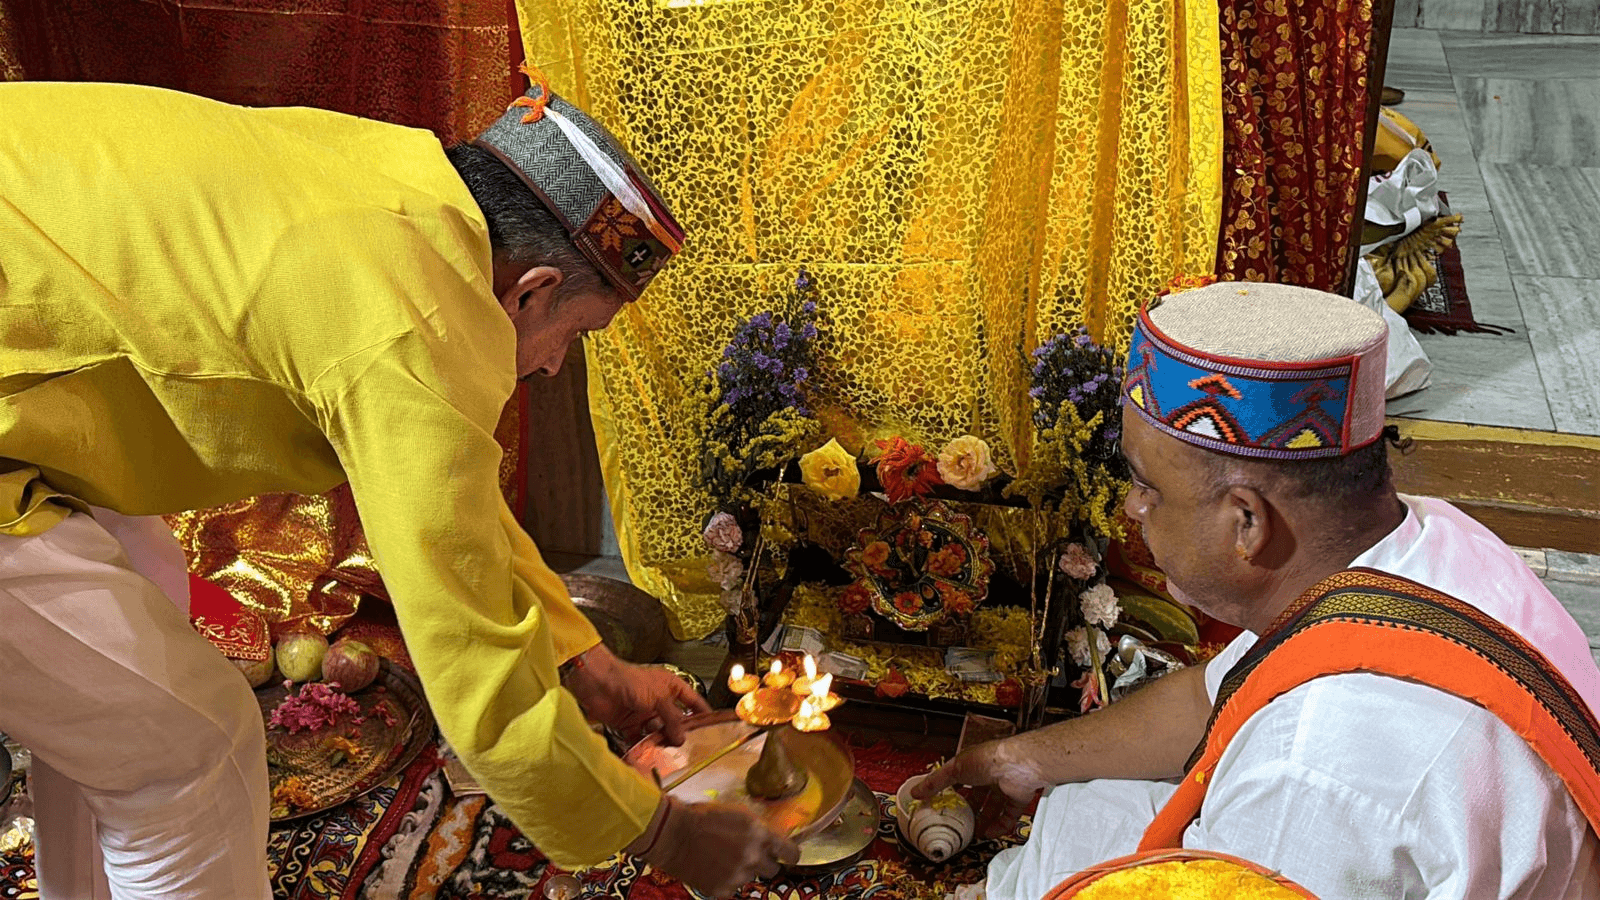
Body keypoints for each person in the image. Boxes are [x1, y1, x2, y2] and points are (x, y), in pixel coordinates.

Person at [0, 77, 796, 898]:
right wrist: (666, 833)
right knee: (188, 758)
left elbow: (458, 512)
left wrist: (584, 661)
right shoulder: (417, 323)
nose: (555, 364)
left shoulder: (407, 192)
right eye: (575, 333)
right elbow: (474, 669)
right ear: (532, 290)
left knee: (122, 691)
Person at [919, 281, 1600, 898]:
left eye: (1147, 486)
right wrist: (1018, 758)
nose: (1132, 508)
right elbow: (1214, 696)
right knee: (1083, 809)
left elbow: (1298, 791)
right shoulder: (1425, 541)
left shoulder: (1308, 767)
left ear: (1246, 521)